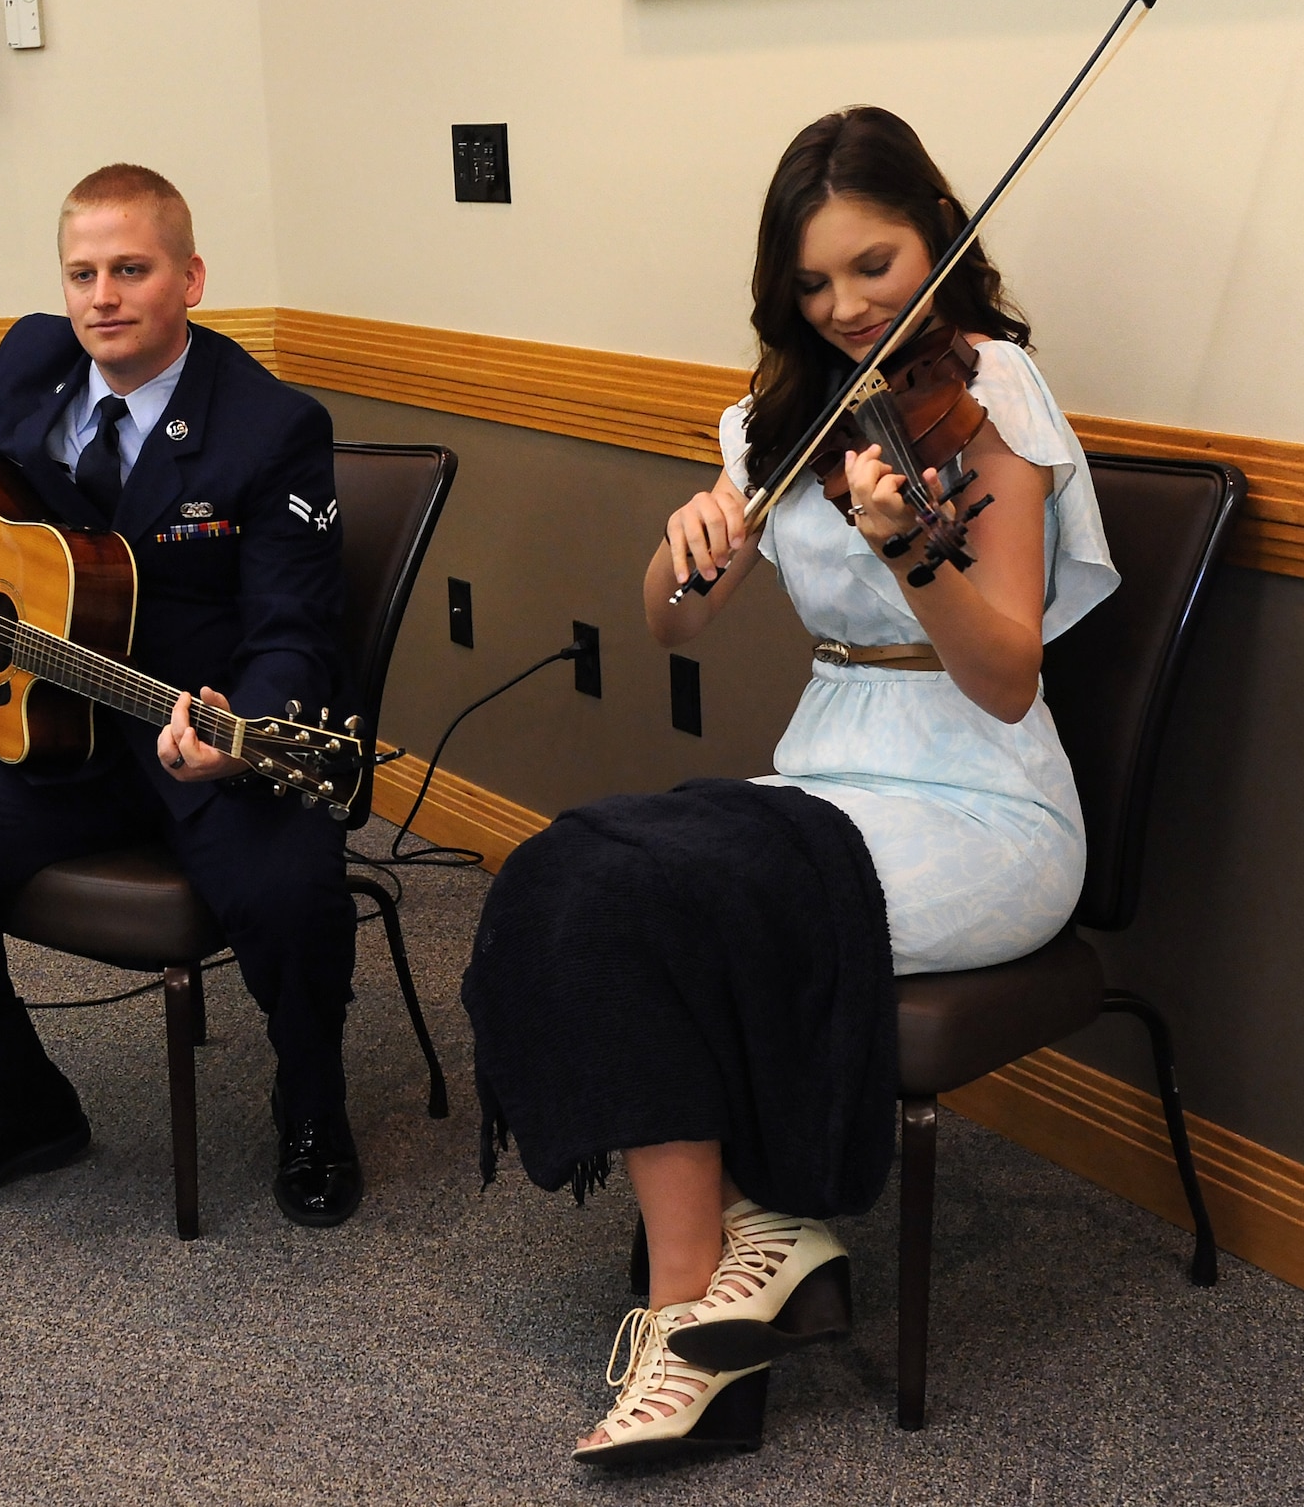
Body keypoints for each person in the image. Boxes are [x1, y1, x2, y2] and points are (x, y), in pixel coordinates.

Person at [461, 107, 1118, 1463]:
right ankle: (748, 1248)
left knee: (672, 900)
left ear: (935, 237)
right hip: (828, 775)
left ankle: (691, 1312)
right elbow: (675, 627)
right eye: (813, 283)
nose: (847, 307)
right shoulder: (784, 414)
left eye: (875, 266)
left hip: (985, 805)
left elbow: (1004, 676)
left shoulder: (988, 388)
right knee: (572, 868)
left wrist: (911, 555)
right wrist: (684, 547)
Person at [0, 164, 366, 1229]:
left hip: (192, 721)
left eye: (131, 268)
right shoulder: (34, 364)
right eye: (83, 272)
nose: (102, 296)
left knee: (291, 888)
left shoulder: (269, 425)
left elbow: (294, 627)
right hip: (50, 726)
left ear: (190, 278)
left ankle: (311, 1101)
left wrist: (240, 731)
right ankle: (21, 1101)